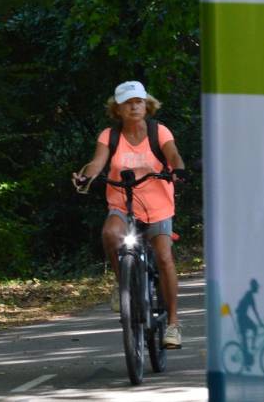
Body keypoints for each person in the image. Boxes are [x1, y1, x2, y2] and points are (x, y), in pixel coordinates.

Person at [72, 80, 188, 349]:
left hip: (158, 204)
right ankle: (121, 284)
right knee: (110, 234)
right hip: (123, 202)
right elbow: (97, 163)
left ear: (146, 105)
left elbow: (174, 155)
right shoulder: (109, 136)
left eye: (138, 101)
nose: (134, 107)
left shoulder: (159, 132)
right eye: (128, 103)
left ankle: (172, 323)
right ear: (117, 109)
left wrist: (178, 170)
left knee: (163, 256)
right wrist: (85, 177)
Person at [235, 279, 264, 368]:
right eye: (256, 287)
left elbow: (255, 310)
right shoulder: (249, 295)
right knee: (245, 340)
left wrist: (260, 323)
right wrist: (261, 323)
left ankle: (252, 347)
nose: (257, 289)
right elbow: (255, 311)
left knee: (254, 329)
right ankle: (246, 361)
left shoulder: (250, 295)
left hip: (243, 317)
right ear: (253, 287)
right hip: (241, 318)